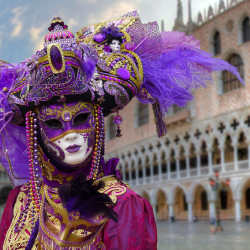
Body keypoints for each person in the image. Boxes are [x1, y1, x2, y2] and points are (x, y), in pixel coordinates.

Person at [0, 11, 244, 250]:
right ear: (36, 131)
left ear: (97, 120)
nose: (71, 134)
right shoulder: (19, 202)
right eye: (53, 124)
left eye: (81, 118)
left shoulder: (123, 205)